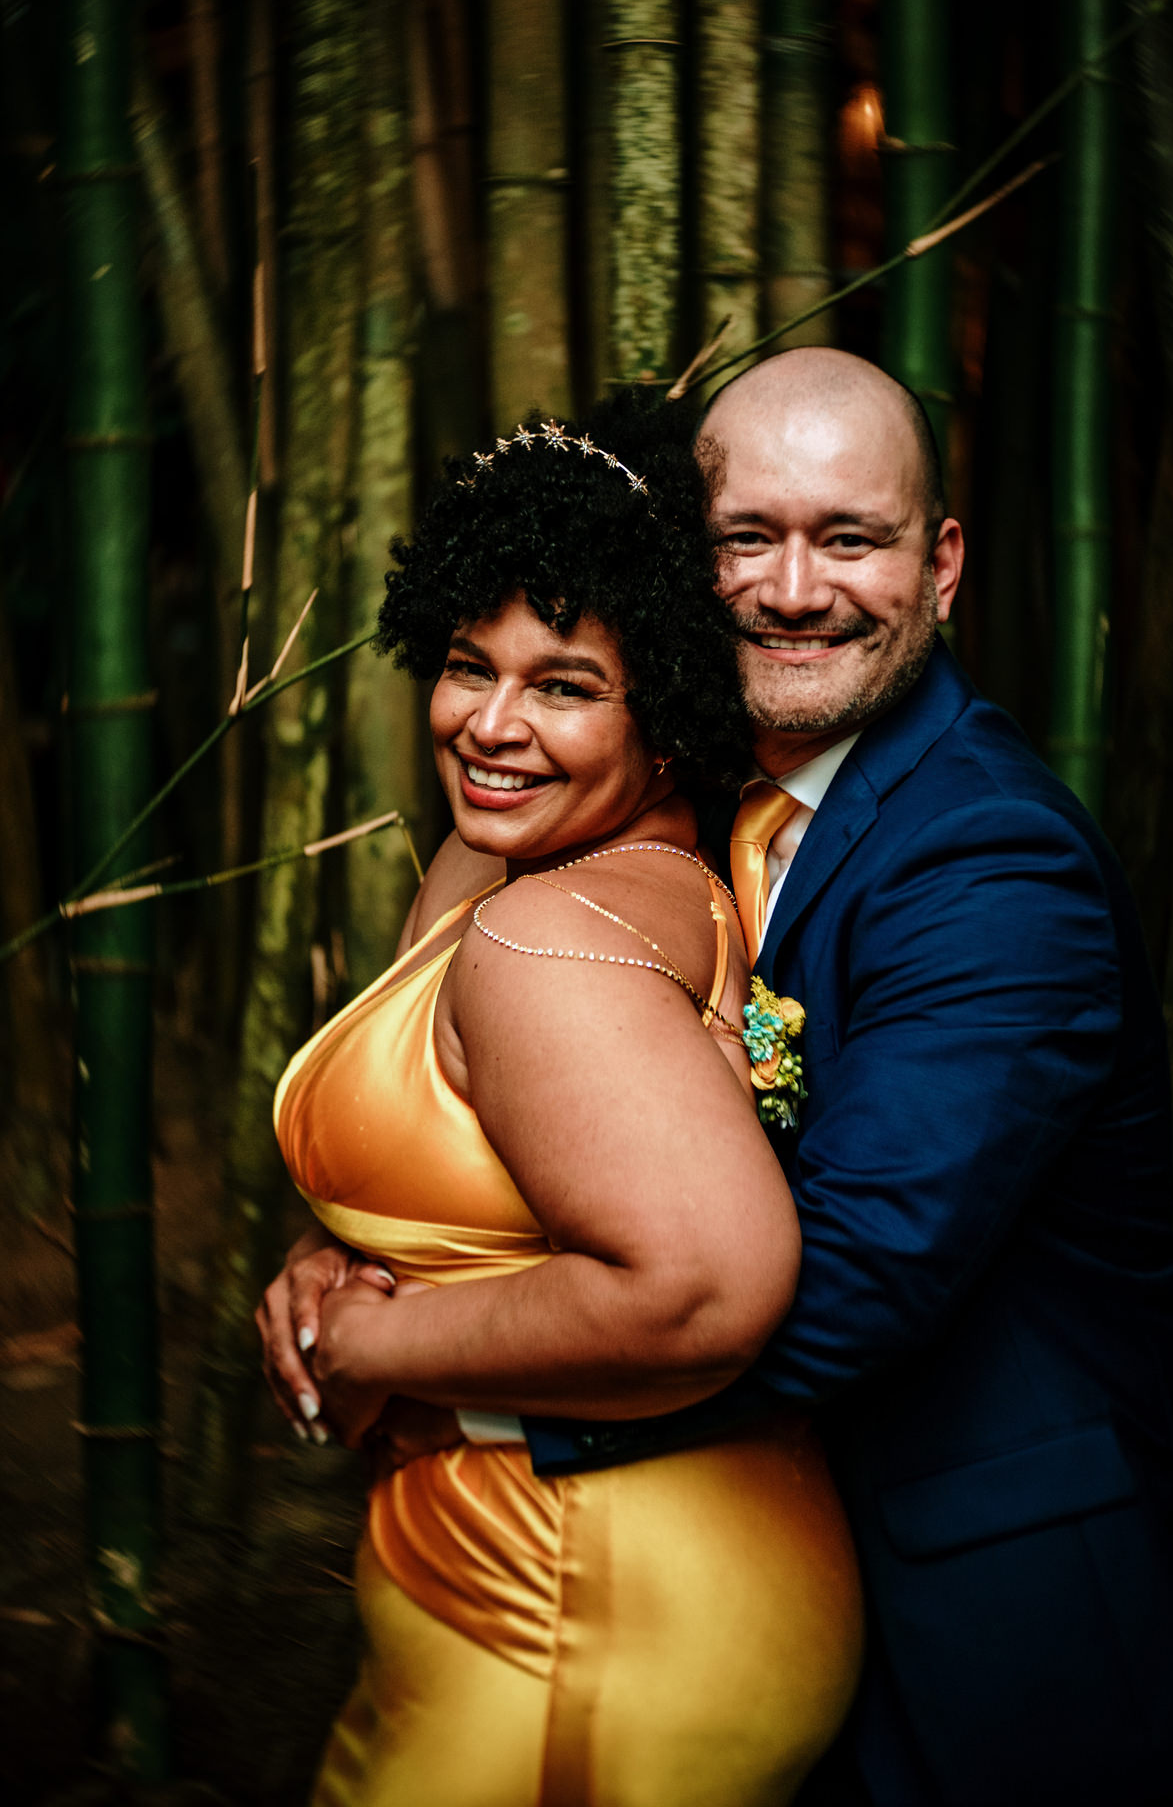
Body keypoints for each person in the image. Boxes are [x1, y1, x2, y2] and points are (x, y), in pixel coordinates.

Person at [266, 348, 1173, 1805]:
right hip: (751, 1554)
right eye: (747, 539)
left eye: (849, 539)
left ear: (940, 565)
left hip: (988, 1620)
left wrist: (432, 1375)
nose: (794, 590)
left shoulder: (991, 858)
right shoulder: (666, 795)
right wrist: (376, 1253)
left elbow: (853, 1266)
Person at [258, 394, 863, 1807]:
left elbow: (702, 1288)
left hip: (592, 1600)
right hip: (531, 1570)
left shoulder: (550, 940)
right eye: (469, 665)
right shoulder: (510, 866)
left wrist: (375, 1343)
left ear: (671, 708)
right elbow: (489, 1180)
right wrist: (340, 1263)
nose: (492, 724)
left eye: (566, 686)